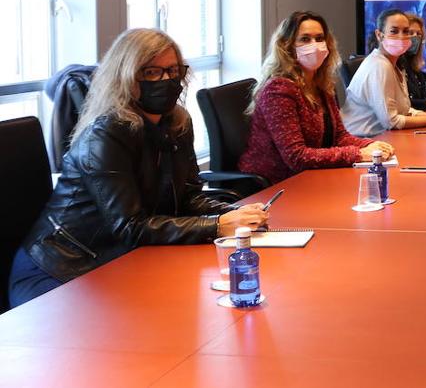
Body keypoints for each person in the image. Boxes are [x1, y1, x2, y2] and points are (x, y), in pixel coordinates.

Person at [8, 29, 268, 307]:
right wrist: (217, 226)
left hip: (121, 259)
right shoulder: (106, 133)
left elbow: (190, 196)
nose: (166, 80)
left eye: (173, 70)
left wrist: (235, 216)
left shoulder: (177, 123)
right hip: (60, 267)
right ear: (126, 76)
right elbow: (130, 227)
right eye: (152, 72)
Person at [238, 11, 393, 185]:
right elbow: (296, 157)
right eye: (305, 39)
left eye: (320, 38)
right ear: (287, 46)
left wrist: (369, 145)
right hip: (277, 185)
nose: (315, 45)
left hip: (312, 178)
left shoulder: (321, 85)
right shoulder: (278, 90)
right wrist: (357, 154)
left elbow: (340, 137)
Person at [342, 9, 426, 137]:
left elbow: (403, 110)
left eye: (406, 31)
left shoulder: (396, 65)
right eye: (394, 31)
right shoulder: (379, 66)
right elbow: (392, 121)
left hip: (386, 137)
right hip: (365, 142)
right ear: (379, 35)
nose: (401, 36)